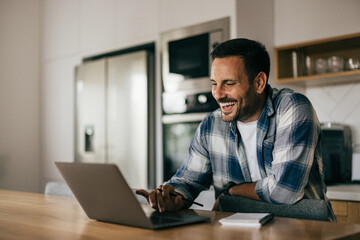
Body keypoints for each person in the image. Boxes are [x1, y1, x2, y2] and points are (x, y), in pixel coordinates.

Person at [136, 38, 336, 221]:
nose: (218, 94)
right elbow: (187, 181)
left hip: (304, 230)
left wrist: (231, 191)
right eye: (214, 83)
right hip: (241, 231)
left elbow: (284, 191)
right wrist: (173, 196)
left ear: (259, 82)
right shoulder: (211, 125)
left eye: (229, 84)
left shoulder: (293, 108)